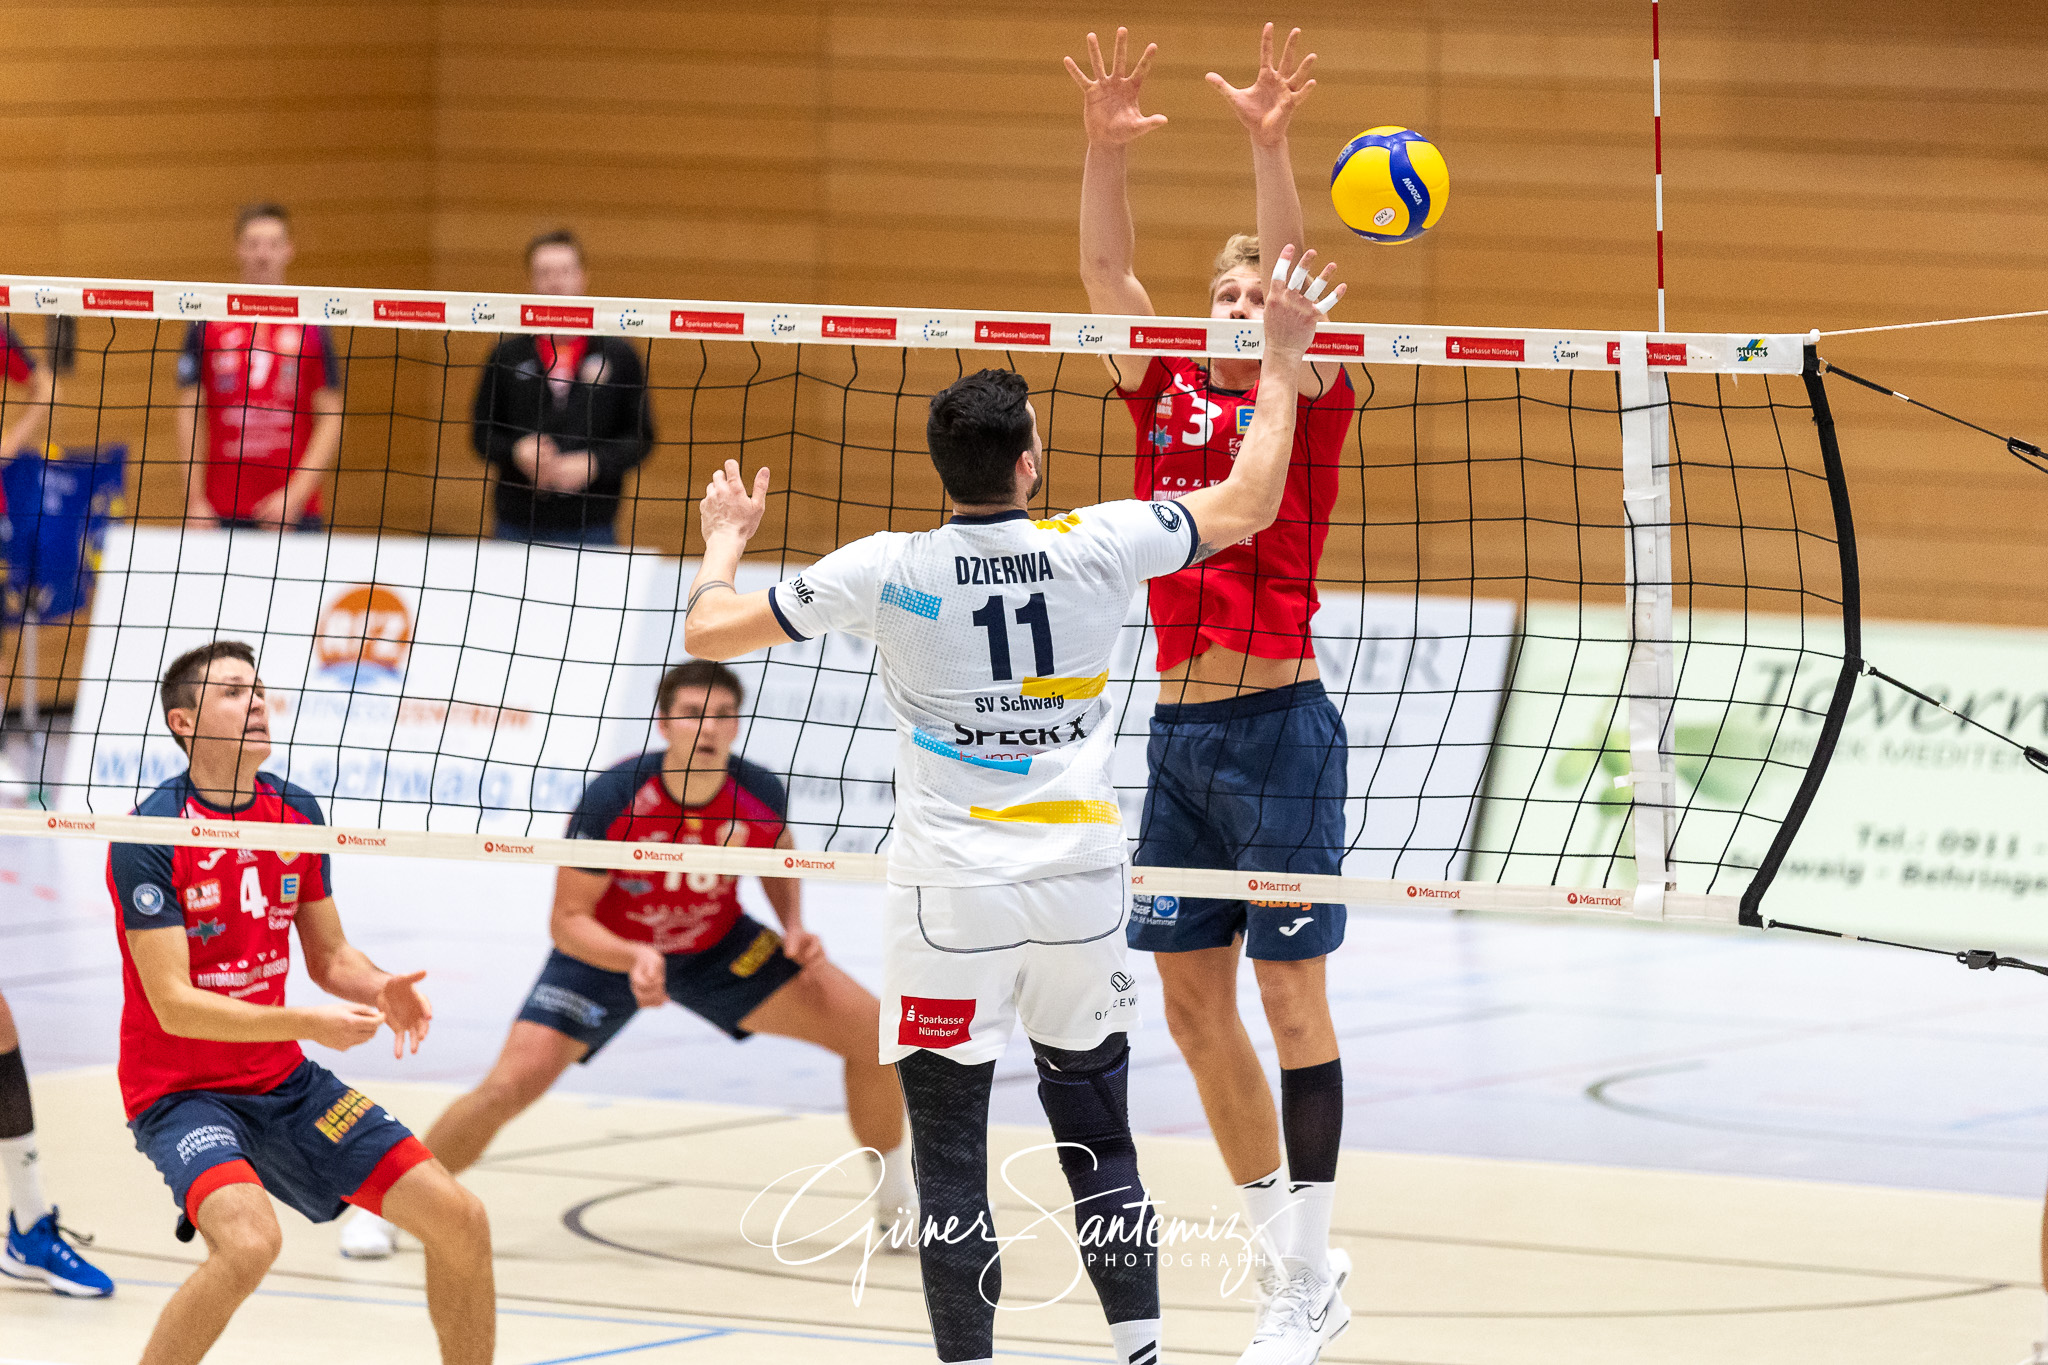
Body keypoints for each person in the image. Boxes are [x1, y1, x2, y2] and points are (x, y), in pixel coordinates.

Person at [684, 248, 1340, 1365]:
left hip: (948, 903)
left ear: (940, 467)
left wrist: (724, 543)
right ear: (1030, 464)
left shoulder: (886, 566)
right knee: (1098, 1137)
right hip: (1077, 890)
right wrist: (1277, 363)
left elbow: (708, 634)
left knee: (951, 1160)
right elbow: (1249, 500)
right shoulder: (1095, 544)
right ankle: (1137, 1352)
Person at [1070, 26, 1358, 1363]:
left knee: (1294, 1002)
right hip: (1180, 730)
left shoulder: (1306, 393)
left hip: (1283, 729)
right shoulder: (1167, 387)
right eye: (1227, 295)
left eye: (1260, 297)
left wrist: (1269, 146)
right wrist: (1101, 149)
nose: (1243, 305)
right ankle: (1277, 1248)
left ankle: (1304, 1278)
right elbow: (1100, 269)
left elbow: (1292, 273)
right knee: (1191, 1003)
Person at [337, 658, 914, 1259]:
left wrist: (793, 925)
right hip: (605, 954)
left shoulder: (758, 790)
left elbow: (780, 852)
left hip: (717, 945)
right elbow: (566, 923)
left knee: (875, 1036)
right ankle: (388, 1209)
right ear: (664, 723)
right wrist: (633, 954)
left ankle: (897, 1204)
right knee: (507, 1086)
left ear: (737, 725)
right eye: (693, 714)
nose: (708, 727)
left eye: (722, 715)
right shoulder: (616, 797)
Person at [109, 641, 493, 1365]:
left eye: (259, 689)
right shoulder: (151, 833)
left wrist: (378, 984)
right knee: (250, 1243)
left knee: (461, 1218)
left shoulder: (294, 809)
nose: (256, 701)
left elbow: (329, 956)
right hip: (182, 1094)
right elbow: (175, 1006)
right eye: (233, 691)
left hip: (283, 1081)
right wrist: (309, 1023)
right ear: (184, 721)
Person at [470, 230, 655, 547]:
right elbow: (481, 435)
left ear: (583, 277)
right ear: (530, 282)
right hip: (516, 523)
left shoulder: (619, 354)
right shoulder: (507, 355)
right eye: (544, 273)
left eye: (564, 271)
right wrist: (517, 451)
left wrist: (594, 463)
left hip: (592, 524)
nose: (555, 282)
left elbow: (640, 438)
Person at [174, 204, 345, 531]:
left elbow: (331, 417)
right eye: (253, 244)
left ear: (289, 250)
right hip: (220, 510)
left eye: (273, 244)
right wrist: (194, 499)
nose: (263, 255)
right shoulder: (208, 321)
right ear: (238, 249)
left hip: (295, 514)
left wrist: (295, 496)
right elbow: (189, 411)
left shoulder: (312, 325)